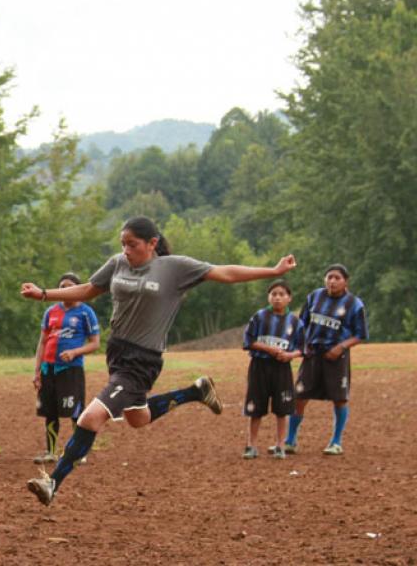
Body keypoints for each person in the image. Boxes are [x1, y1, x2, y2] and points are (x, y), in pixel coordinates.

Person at [21, 216, 297, 506]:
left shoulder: (174, 268)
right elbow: (89, 289)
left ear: (152, 243)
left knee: (91, 417)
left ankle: (53, 481)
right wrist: (43, 294)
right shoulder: (117, 263)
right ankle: (196, 391)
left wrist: (273, 271)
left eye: (132, 244)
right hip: (117, 354)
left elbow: (225, 272)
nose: (126, 250)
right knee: (137, 418)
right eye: (122, 244)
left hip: (142, 360)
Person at [284, 264, 367, 456]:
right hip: (312, 354)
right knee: (300, 396)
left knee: (339, 398)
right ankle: (290, 440)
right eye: (329, 277)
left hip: (336, 357)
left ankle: (336, 441)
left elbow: (360, 334)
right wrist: (301, 344)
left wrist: (340, 347)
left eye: (337, 278)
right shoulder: (314, 297)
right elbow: (302, 323)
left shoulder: (354, 304)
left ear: (346, 281)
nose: (332, 281)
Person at [32, 273, 100, 465]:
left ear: (77, 290)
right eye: (61, 286)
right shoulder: (51, 312)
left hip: (71, 370)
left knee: (76, 412)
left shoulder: (86, 313)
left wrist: (75, 352)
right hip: (49, 370)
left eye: (69, 286)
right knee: (50, 411)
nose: (64, 290)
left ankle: (79, 452)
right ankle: (50, 452)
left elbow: (95, 343)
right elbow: (43, 342)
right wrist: (37, 370)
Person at [240, 279, 303, 460]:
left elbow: (302, 347)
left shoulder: (295, 322)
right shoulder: (259, 317)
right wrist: (269, 349)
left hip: (282, 369)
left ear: (289, 298)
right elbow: (248, 341)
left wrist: (290, 356)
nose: (277, 298)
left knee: (282, 409)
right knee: (256, 408)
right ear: (268, 297)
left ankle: (280, 445)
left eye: (281, 294)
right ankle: (251, 445)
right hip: (259, 367)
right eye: (273, 294)